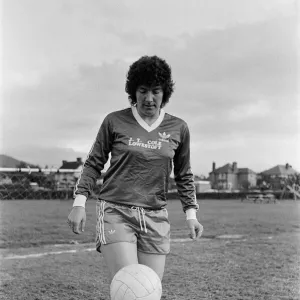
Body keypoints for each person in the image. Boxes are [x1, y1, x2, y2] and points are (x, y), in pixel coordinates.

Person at [67, 55, 203, 283]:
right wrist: (79, 203)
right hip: (116, 211)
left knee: (149, 290)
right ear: (133, 91)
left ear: (165, 93)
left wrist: (191, 215)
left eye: (156, 91)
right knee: (130, 286)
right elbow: (93, 163)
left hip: (155, 216)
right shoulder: (114, 121)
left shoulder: (179, 128)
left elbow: (183, 174)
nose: (149, 98)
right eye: (142, 90)